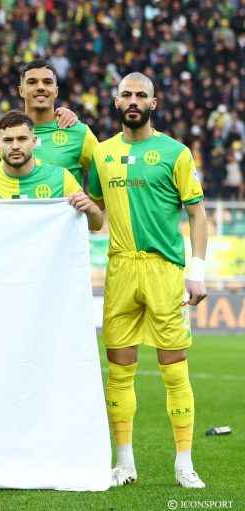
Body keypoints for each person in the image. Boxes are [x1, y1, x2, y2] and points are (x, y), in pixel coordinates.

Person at [89, 73, 208, 489]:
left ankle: (184, 464)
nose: (133, 100)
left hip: (164, 271)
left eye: (141, 95)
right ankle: (124, 464)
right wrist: (84, 206)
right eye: (126, 94)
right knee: (119, 371)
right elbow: (96, 216)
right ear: (116, 101)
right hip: (120, 268)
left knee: (174, 369)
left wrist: (196, 272)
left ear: (153, 103)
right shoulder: (101, 153)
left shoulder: (176, 152)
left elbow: (197, 215)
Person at [0, 110, 102, 231]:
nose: (15, 146)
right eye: (8, 140)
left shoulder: (61, 177)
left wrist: (90, 209)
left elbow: (96, 225)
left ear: (34, 142)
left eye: (22, 139)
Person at [9, 59, 98, 188]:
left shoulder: (79, 132)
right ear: (21, 91)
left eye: (47, 82)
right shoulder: (4, 133)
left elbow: (106, 174)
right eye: (32, 82)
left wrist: (90, 199)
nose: (40, 87)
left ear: (56, 91)